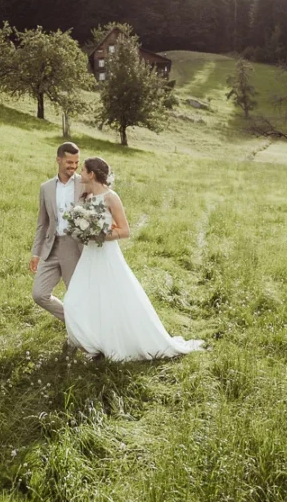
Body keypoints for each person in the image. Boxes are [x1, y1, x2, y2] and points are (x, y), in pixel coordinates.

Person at [63, 157, 205, 361]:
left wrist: (99, 234)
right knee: (76, 299)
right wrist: (80, 231)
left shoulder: (111, 198)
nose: (80, 173)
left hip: (106, 254)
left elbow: (125, 231)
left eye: (83, 170)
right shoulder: (87, 196)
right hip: (89, 254)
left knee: (111, 298)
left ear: (91, 174)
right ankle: (95, 341)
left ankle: (110, 344)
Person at [29, 142, 83, 322]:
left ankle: (81, 332)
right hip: (51, 247)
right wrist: (36, 253)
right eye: (69, 162)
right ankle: (73, 322)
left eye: (76, 162)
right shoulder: (46, 188)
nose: (74, 166)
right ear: (58, 160)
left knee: (76, 295)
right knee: (39, 294)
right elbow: (42, 223)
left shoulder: (84, 184)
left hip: (74, 247)